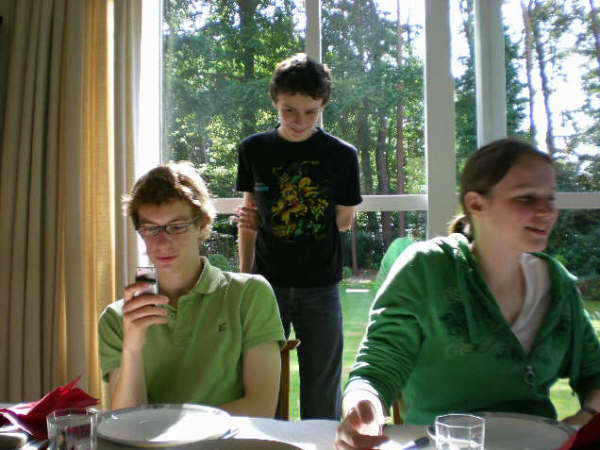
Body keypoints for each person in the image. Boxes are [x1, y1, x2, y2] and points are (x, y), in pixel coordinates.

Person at [335, 138, 600, 448]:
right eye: (526, 198)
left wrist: (588, 415)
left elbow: (593, 371)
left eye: (550, 198)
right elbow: (377, 370)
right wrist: (363, 407)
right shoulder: (427, 269)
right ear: (476, 204)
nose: (546, 212)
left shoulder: (557, 284)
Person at [98, 161, 285, 417]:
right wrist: (132, 349)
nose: (162, 242)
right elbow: (127, 422)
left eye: (176, 227)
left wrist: (173, 431)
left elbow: (260, 408)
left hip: (230, 440)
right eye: (151, 229)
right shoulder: (116, 318)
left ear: (202, 225)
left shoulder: (249, 294)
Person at [235, 53, 362, 419]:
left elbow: (344, 222)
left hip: (320, 286)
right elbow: (248, 220)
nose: (299, 121)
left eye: (310, 112)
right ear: (275, 101)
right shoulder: (253, 150)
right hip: (266, 287)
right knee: (264, 393)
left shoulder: (342, 155)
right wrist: (245, 279)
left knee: (322, 395)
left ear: (323, 106)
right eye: (289, 110)